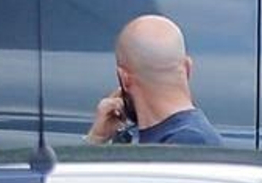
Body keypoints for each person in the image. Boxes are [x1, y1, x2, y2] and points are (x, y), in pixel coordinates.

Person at [85, 14, 223, 146]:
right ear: (187, 68)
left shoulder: (185, 144)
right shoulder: (188, 138)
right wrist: (98, 138)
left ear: (124, 79)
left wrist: (94, 141)